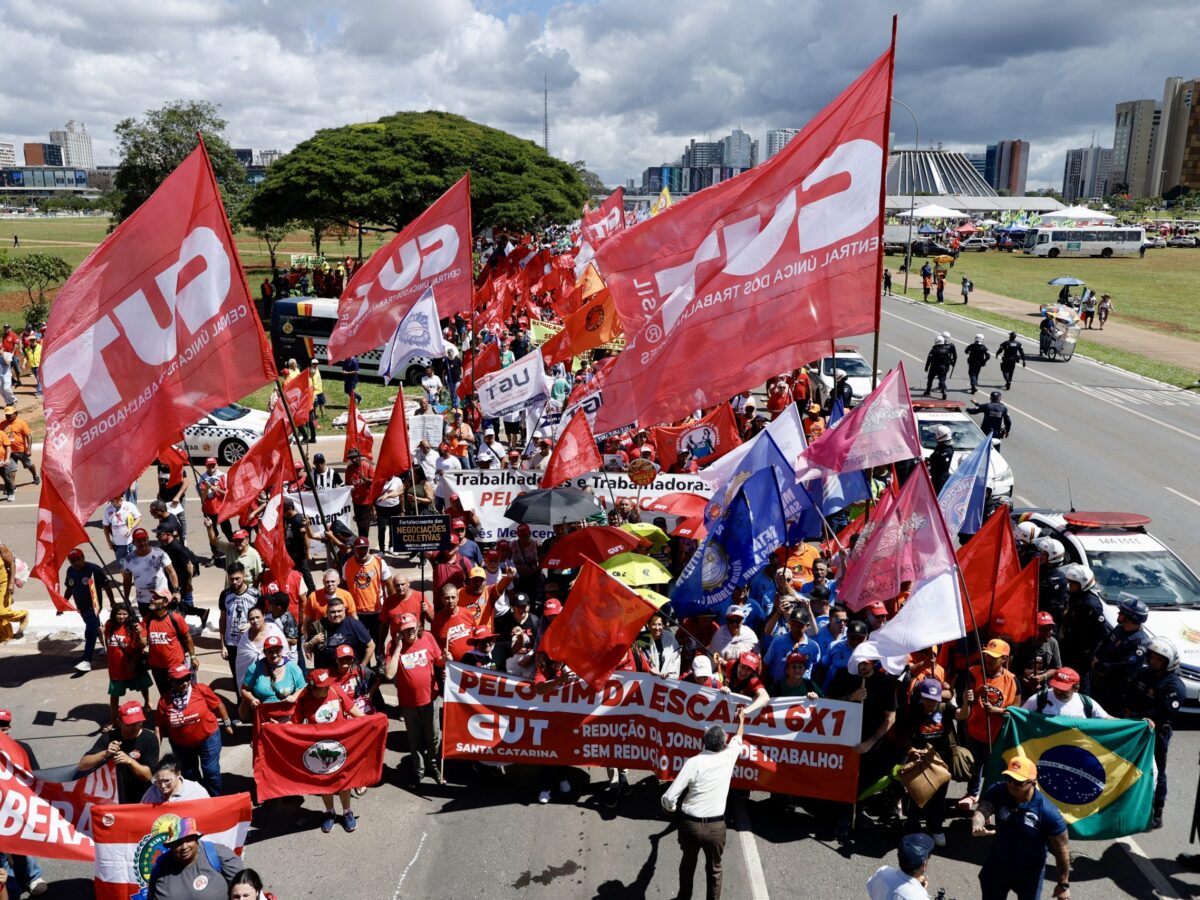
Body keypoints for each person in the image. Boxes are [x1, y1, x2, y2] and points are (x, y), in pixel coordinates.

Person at [660, 712, 747, 900]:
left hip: (689, 826)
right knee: (715, 869)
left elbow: (669, 798)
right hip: (716, 828)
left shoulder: (693, 763)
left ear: (704, 742)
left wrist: (671, 809)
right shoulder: (728, 757)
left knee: (687, 865)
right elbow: (738, 739)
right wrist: (741, 719)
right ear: (723, 745)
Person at [972, 756, 1070, 900]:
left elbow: (1062, 850)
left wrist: (1063, 885)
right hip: (998, 865)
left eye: (1018, 782)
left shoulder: (1048, 812)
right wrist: (977, 824)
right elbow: (982, 810)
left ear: (1032, 783)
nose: (1011, 784)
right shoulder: (999, 791)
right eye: (1009, 779)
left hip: (1029, 874)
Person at [291, 668, 365, 832]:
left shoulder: (335, 689)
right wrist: (276, 728)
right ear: (311, 688)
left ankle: (347, 812)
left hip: (340, 745)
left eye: (326, 686)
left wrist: (370, 721)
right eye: (321, 688)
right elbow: (294, 723)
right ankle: (330, 813)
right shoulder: (304, 699)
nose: (325, 690)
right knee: (326, 783)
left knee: (344, 780)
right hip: (319, 749)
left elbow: (352, 709)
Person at [1124, 637, 1184, 829]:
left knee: (1158, 771)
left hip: (1156, 734)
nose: (1154, 661)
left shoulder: (1174, 686)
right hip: (1133, 729)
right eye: (1152, 657)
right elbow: (1128, 693)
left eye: (1159, 659)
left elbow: (1164, 713)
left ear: (1168, 662)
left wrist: (1137, 715)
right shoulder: (1143, 673)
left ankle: (1157, 811)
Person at [957, 639, 1019, 809]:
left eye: (994, 657)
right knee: (974, 765)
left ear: (1004, 659)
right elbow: (967, 701)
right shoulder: (974, 672)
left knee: (994, 768)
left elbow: (1016, 712)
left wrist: (997, 711)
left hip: (997, 733)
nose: (988, 660)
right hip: (974, 729)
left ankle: (989, 800)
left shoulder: (1012, 681)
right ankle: (972, 793)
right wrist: (977, 694)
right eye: (986, 656)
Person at [155, 663, 233, 796]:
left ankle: (216, 799)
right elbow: (159, 725)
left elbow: (218, 705)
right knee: (189, 775)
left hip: (208, 737)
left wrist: (227, 724)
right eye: (179, 681)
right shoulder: (164, 701)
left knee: (211, 771)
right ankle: (198, 798)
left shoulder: (200, 689)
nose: (184, 683)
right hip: (181, 744)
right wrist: (156, 747)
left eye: (187, 678)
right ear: (171, 682)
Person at [386, 612, 446, 786]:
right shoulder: (393, 646)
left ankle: (433, 765)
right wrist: (397, 647)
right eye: (405, 630)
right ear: (399, 632)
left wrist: (445, 659)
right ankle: (418, 770)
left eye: (412, 628)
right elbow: (390, 673)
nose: (410, 632)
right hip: (408, 702)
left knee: (433, 736)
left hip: (430, 699)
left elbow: (438, 660)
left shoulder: (427, 637)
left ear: (418, 627)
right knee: (415, 739)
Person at [78, 699, 158, 803]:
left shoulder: (150, 739)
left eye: (139, 722)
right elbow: (83, 765)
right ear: (119, 722)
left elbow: (147, 777)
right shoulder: (109, 737)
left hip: (139, 793)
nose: (135, 727)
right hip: (111, 793)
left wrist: (129, 761)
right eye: (130, 724)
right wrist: (105, 753)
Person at [146, 817, 244, 899]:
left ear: (196, 839)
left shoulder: (218, 855)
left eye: (189, 840)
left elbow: (246, 890)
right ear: (171, 846)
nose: (184, 847)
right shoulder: (160, 868)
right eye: (178, 843)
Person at [1091, 595, 1149, 713]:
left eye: (1122, 613)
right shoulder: (1120, 628)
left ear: (1130, 618)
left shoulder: (1139, 643)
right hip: (1102, 682)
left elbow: (1124, 667)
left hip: (1118, 690)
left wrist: (1099, 667)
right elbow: (1105, 643)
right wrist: (1096, 659)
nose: (1118, 614)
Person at [1057, 564, 1108, 695]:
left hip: (1082, 653)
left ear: (1083, 584)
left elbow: (1101, 632)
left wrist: (1091, 654)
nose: (1069, 586)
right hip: (1070, 646)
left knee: (1081, 682)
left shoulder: (1091, 605)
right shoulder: (1075, 596)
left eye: (1073, 583)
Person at [62, 547, 115, 672]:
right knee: (96, 628)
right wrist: (63, 604)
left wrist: (112, 602)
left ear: (83, 558)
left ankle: (86, 661)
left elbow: (107, 586)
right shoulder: (70, 571)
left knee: (90, 633)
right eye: (72, 560)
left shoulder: (94, 569)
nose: (75, 563)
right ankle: (108, 646)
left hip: (94, 607)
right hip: (81, 608)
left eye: (78, 559)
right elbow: (69, 588)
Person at [145, 589, 199, 698]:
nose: (152, 599)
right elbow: (142, 643)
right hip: (157, 668)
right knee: (165, 695)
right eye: (152, 597)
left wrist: (193, 657)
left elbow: (187, 637)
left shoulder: (175, 618)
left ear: (165, 602)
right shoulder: (147, 619)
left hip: (175, 666)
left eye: (156, 598)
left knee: (180, 694)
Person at [122, 527, 181, 619]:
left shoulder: (160, 554)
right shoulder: (129, 559)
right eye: (138, 541)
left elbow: (171, 572)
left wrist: (176, 591)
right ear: (133, 542)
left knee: (164, 624)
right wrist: (126, 597)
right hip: (143, 600)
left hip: (161, 598)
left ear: (148, 539)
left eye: (144, 540)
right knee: (147, 626)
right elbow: (127, 580)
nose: (142, 543)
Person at [342, 537, 391, 644]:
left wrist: (390, 609)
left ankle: (380, 659)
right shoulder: (347, 565)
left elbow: (390, 586)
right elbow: (343, 588)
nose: (362, 551)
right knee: (362, 645)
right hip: (356, 613)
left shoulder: (379, 563)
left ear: (369, 548)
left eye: (365, 548)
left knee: (378, 642)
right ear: (354, 549)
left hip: (377, 611)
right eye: (359, 548)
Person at [218, 565, 261, 689]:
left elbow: (262, 617)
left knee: (254, 676)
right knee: (238, 678)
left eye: (237, 578)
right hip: (232, 644)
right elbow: (223, 620)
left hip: (251, 643)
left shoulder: (255, 594)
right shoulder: (225, 595)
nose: (234, 582)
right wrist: (222, 645)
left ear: (244, 575)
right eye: (231, 579)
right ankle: (240, 705)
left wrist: (251, 624)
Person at [308, 595, 374, 671]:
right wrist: (312, 642)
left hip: (350, 671)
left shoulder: (354, 624)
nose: (336, 614)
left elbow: (371, 646)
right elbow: (307, 649)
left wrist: (362, 666)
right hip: (325, 672)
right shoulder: (318, 626)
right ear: (327, 612)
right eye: (333, 612)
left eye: (339, 611)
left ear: (344, 610)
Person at [867, 832, 935, 899]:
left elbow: (870, 887)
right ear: (924, 865)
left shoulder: (882, 872)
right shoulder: (921, 897)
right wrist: (921, 891)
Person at [1021, 667, 1108, 718]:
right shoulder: (1038, 699)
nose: (1058, 691)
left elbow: (1107, 719)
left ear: (1076, 688)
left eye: (1063, 689)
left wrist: (1122, 724)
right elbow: (1019, 716)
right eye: (1056, 687)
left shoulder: (1086, 703)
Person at [141, 755, 210, 803]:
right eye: (158, 781)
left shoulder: (196, 790)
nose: (162, 785)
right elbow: (143, 812)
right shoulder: (151, 793)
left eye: (167, 781)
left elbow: (209, 811)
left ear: (178, 774)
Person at [0, 406, 37, 486]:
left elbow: (29, 436)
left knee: (28, 465)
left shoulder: (21, 423)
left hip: (21, 450)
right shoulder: (2, 424)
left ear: (16, 414)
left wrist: (29, 449)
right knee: (11, 469)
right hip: (9, 451)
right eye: (6, 415)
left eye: (10, 414)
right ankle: (12, 485)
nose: (8, 416)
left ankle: (35, 475)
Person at [103, 494, 142, 565]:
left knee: (137, 564)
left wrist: (131, 528)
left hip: (132, 542)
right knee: (123, 567)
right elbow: (105, 527)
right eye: (116, 498)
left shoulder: (129, 505)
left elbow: (138, 517)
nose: (120, 498)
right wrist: (109, 542)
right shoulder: (108, 511)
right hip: (118, 545)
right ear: (111, 500)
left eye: (121, 496)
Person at [927, 426, 954, 493]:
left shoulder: (947, 451)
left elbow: (940, 467)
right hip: (936, 477)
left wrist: (931, 466)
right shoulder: (941, 446)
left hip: (940, 479)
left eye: (936, 434)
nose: (934, 436)